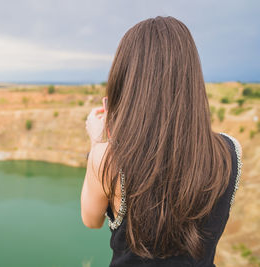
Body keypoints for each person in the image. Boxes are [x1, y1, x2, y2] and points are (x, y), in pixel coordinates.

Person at [80, 16, 243, 267]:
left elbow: (91, 220)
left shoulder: (107, 158)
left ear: (127, 82)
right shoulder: (230, 151)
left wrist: (97, 142)